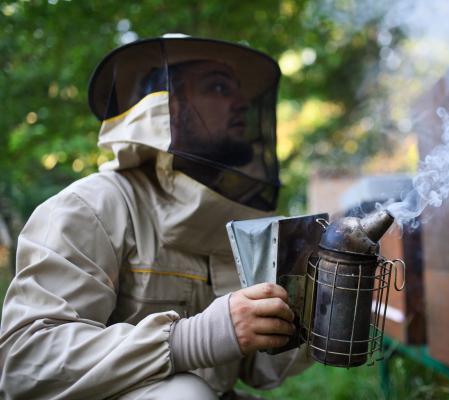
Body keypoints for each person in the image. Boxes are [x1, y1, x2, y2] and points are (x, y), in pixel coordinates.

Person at [0, 35, 312, 400]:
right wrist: (191, 340)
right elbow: (24, 362)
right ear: (166, 109)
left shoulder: (228, 219)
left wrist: (318, 307)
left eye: (238, 91)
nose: (243, 104)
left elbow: (254, 368)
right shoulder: (89, 207)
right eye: (217, 87)